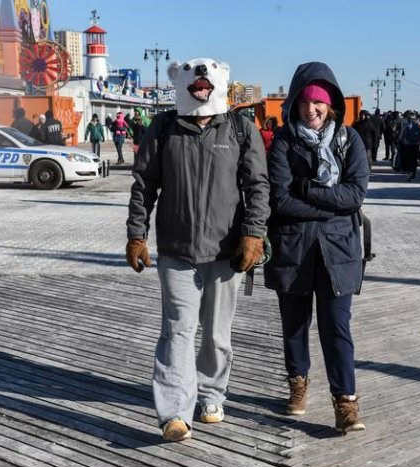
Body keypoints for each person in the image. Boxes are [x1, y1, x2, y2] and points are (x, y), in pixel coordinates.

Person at [126, 57, 269, 443]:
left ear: (220, 81)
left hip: (226, 251)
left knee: (216, 336)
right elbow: (144, 184)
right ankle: (174, 412)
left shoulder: (239, 127)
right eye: (194, 78)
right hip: (176, 249)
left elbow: (257, 184)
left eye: (207, 79)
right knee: (177, 331)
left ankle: (210, 394)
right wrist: (136, 233)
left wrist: (253, 234)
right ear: (180, 81)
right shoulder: (163, 128)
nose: (201, 83)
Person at [265, 61, 369, 435]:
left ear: (332, 105)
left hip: (338, 251)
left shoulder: (349, 140)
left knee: (336, 327)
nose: (311, 109)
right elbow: (279, 200)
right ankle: (298, 382)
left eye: (319, 102)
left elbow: (355, 194)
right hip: (292, 249)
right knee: (294, 325)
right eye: (305, 102)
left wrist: (307, 190)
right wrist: (328, 202)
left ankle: (346, 402)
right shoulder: (283, 142)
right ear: (293, 104)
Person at [398, 111, 420, 181]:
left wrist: (404, 142)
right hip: (416, 145)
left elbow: (401, 137)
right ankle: (414, 173)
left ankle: (410, 172)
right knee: (414, 160)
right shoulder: (418, 126)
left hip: (407, 145)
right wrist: (419, 143)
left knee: (408, 160)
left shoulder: (406, 126)